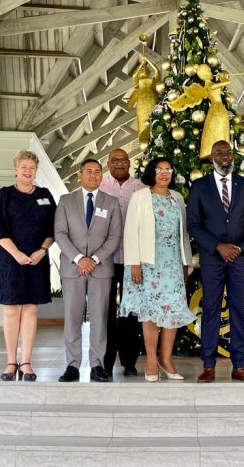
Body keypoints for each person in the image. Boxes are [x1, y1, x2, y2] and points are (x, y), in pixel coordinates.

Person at [187, 140, 244, 383]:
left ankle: (239, 366)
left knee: (238, 309)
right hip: (212, 258)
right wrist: (218, 246)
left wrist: (240, 247)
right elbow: (193, 225)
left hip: (239, 259)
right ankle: (208, 365)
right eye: (219, 153)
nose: (225, 156)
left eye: (228, 152)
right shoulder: (199, 186)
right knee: (210, 309)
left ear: (233, 156)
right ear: (211, 157)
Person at [119, 157, 195, 382]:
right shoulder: (140, 196)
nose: (164, 173)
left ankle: (166, 359)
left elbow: (183, 233)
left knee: (173, 311)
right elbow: (131, 231)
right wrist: (134, 263)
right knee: (151, 312)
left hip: (173, 263)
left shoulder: (177, 197)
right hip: (147, 263)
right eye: (159, 169)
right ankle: (151, 360)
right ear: (152, 172)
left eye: (168, 170)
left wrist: (186, 262)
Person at [0, 151, 56, 382]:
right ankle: (11, 361)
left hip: (37, 260)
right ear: (15, 170)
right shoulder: (5, 194)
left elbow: (53, 228)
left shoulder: (45, 195)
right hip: (11, 260)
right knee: (11, 309)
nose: (28, 171)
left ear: (36, 171)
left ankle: (26, 362)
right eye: (23, 167)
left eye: (32, 168)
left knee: (30, 309)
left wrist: (42, 250)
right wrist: (17, 254)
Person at [55, 158, 122, 383]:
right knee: (72, 318)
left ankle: (97, 365)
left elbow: (114, 236)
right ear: (79, 175)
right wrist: (78, 259)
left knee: (100, 318)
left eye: (98, 171)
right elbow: (60, 233)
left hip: (100, 268)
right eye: (89, 171)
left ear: (102, 176)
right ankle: (72, 365)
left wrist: (93, 259)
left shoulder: (111, 202)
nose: (94, 175)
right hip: (72, 268)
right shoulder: (65, 201)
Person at [99, 149, 146, 377]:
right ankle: (106, 363)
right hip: (105, 260)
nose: (119, 164)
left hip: (132, 261)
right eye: (114, 160)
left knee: (131, 314)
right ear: (108, 163)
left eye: (123, 160)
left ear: (129, 163)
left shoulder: (141, 189)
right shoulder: (99, 187)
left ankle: (129, 362)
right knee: (105, 312)